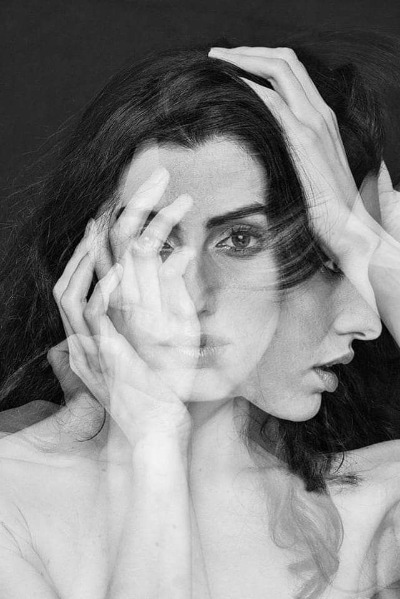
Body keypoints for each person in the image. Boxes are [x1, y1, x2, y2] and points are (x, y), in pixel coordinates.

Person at [0, 41, 400, 599]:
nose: (369, 322)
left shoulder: (369, 505)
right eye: (158, 238)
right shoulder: (14, 498)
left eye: (242, 240)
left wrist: (366, 245)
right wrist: (154, 446)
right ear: (89, 258)